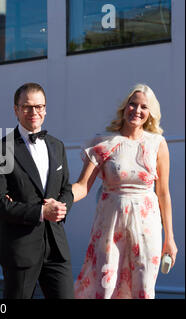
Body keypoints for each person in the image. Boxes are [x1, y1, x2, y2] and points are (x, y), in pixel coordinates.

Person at [72, 84, 178, 299]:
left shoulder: (158, 143)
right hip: (110, 226)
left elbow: (164, 193)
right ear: (124, 107)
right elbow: (82, 186)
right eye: (133, 104)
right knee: (106, 286)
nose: (137, 110)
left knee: (144, 289)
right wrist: (57, 200)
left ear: (150, 113)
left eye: (143, 107)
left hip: (147, 228)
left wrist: (170, 239)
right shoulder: (103, 141)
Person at [0, 82, 74, 299]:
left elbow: (66, 189)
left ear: (45, 109)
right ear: (16, 109)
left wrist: (62, 207)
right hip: (20, 248)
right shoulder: (1, 150)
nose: (34, 112)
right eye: (27, 107)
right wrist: (42, 212)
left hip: (56, 247)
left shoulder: (57, 145)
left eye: (39, 106)